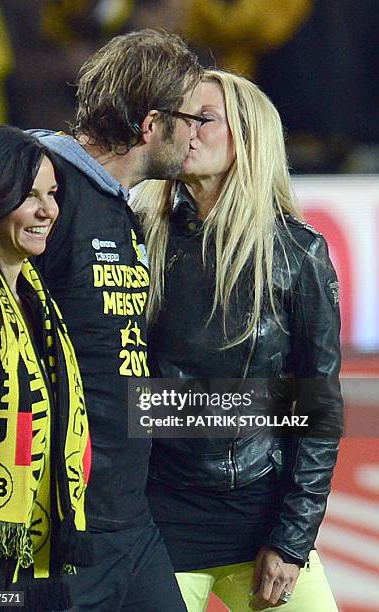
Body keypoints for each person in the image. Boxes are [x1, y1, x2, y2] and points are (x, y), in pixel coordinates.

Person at [134, 69, 343, 611]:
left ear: (248, 137)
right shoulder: (137, 235)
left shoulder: (298, 253)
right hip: (156, 520)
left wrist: (293, 540)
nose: (188, 132)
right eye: (181, 119)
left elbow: (317, 410)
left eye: (204, 119)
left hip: (260, 519)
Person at [30, 28, 203, 611]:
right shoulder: (44, 188)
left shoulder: (115, 207)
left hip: (129, 520)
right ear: (153, 125)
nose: (196, 134)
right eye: (191, 117)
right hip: (62, 525)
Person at [0, 126, 91, 611]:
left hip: (35, 567)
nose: (47, 211)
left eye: (51, 195)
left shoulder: (40, 306)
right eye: (29, 196)